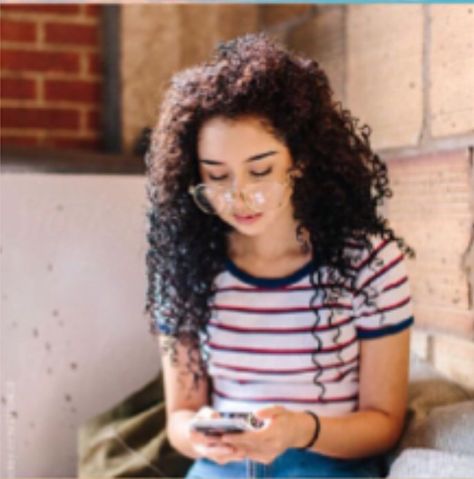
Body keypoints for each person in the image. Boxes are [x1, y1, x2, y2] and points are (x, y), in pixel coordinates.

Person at [144, 31, 416, 478]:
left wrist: (300, 431)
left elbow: (384, 424)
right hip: (223, 465)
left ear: (300, 160)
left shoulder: (370, 264)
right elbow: (180, 415)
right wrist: (198, 432)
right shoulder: (185, 270)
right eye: (216, 176)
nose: (240, 196)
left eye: (260, 170)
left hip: (328, 462)